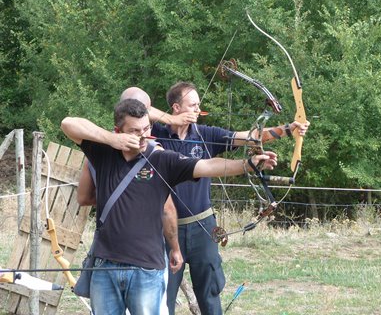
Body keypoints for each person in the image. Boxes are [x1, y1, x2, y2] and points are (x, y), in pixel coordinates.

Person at [61, 98, 277, 315]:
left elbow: (207, 165)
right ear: (120, 131)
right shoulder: (104, 153)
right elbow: (68, 123)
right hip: (105, 265)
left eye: (147, 128)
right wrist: (111, 140)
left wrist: (247, 165)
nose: (144, 135)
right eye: (135, 131)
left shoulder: (162, 160)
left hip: (146, 268)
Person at [151, 81, 310, 315]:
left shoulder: (206, 134)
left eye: (198, 105)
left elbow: (248, 137)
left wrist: (288, 129)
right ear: (175, 107)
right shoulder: (155, 135)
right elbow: (134, 105)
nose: (197, 109)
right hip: (163, 229)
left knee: (209, 293)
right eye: (192, 105)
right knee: (162, 297)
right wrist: (170, 121)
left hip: (203, 227)